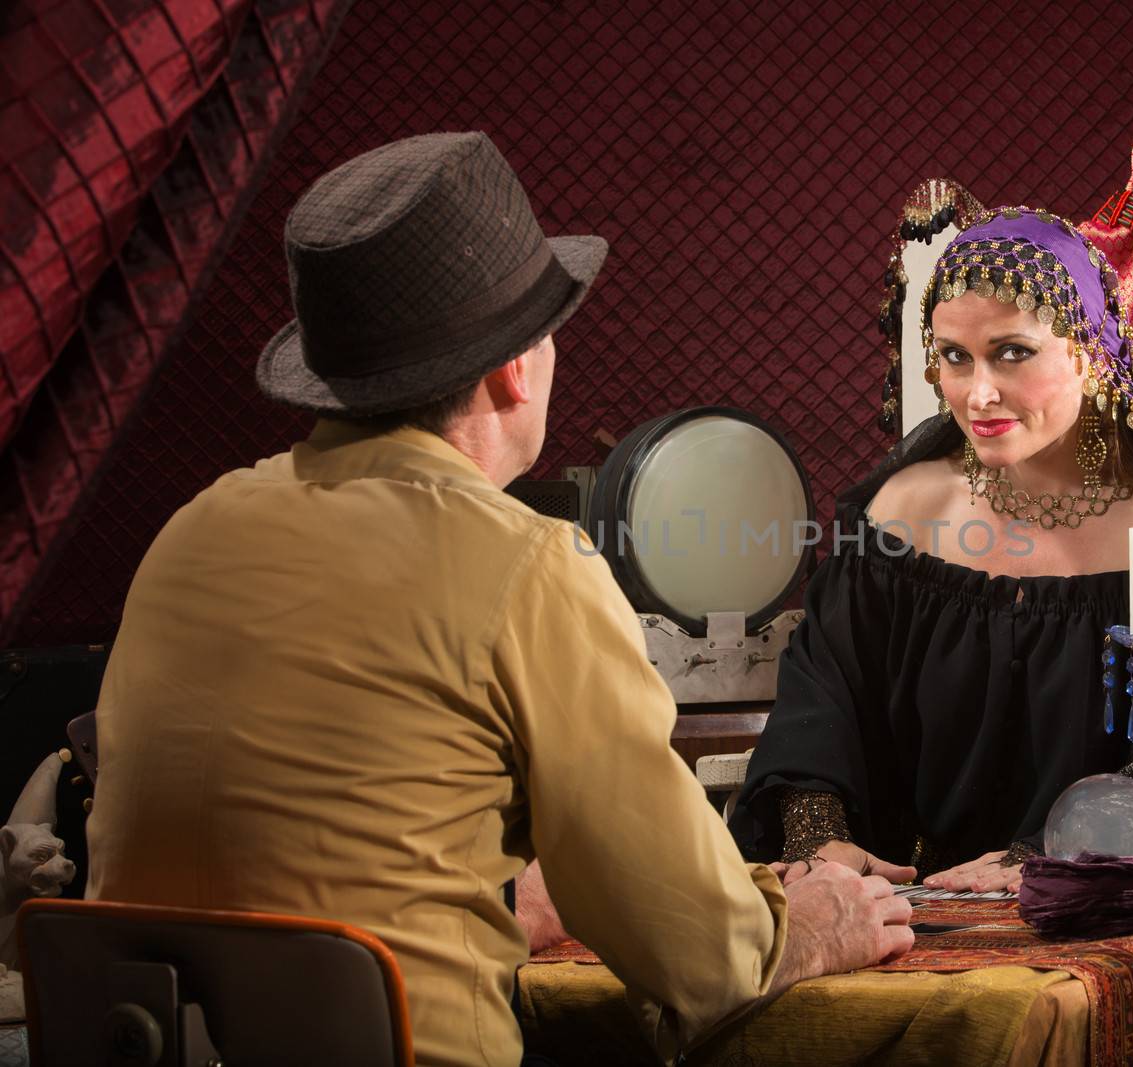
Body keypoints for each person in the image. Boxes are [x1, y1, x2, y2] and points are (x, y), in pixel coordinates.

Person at [85, 132, 911, 1067]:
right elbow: (705, 954)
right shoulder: (525, 562)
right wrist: (808, 926)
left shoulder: (191, 532)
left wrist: (509, 896)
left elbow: (282, 867)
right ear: (517, 365)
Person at [731, 207, 1133, 890]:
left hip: (1094, 917)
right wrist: (820, 837)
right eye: (954, 357)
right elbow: (820, 702)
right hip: (906, 912)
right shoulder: (899, 515)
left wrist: (1042, 861)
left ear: (1088, 353)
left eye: (1012, 352)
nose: (979, 393)